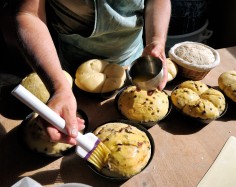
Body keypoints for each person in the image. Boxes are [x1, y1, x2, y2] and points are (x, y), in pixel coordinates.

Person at [12, 0, 171, 145]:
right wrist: (59, 88)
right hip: (69, 76)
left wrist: (157, 40)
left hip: (135, 61)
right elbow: (28, 14)